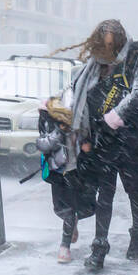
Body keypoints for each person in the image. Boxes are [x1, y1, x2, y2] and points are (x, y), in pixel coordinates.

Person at [59, 19, 138, 269]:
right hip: (105, 140)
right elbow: (83, 97)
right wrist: (86, 133)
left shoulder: (134, 54)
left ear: (120, 42)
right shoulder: (94, 64)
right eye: (105, 45)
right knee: (105, 195)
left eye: (113, 45)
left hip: (136, 137)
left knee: (136, 191)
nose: (109, 51)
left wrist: (114, 117)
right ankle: (99, 247)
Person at [35, 88, 93, 263]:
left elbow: (88, 138)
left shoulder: (82, 117)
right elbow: (42, 144)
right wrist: (60, 132)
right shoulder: (48, 120)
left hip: (77, 171)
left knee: (74, 209)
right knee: (59, 209)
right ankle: (72, 223)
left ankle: (64, 245)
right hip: (58, 171)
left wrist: (85, 143)